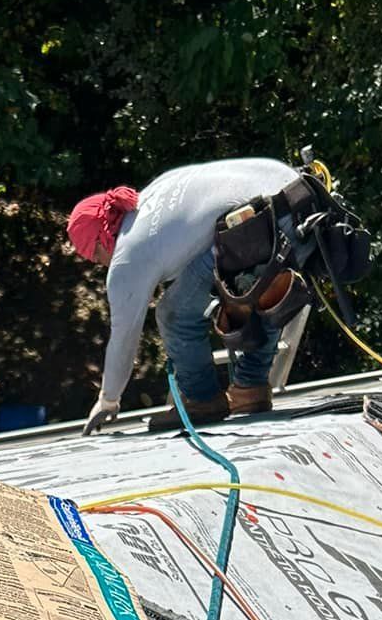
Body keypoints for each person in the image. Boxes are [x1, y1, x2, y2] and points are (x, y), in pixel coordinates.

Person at [68, 156, 311, 435]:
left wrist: (108, 399)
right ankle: (250, 388)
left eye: (95, 257)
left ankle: (202, 399)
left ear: (100, 240)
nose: (101, 265)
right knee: (254, 288)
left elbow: (123, 339)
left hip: (263, 224)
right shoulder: (152, 196)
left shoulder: (126, 258)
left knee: (172, 313)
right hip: (301, 200)